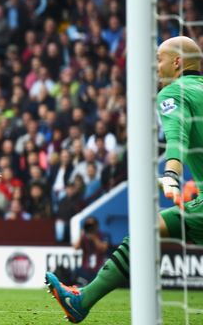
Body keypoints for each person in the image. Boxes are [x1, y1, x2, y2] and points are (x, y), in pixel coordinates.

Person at [46, 36, 203, 323]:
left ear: (177, 62)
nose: (156, 66)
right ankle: (81, 299)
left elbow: (177, 138)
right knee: (147, 230)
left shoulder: (175, 94)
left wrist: (171, 173)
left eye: (160, 59)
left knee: (144, 231)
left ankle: (81, 300)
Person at [73, 217, 108, 286]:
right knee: (75, 272)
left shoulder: (102, 235)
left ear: (96, 226)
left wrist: (94, 238)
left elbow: (104, 248)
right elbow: (76, 247)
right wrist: (82, 235)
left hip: (98, 268)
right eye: (88, 225)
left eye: (92, 225)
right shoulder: (83, 237)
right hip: (86, 268)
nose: (90, 228)